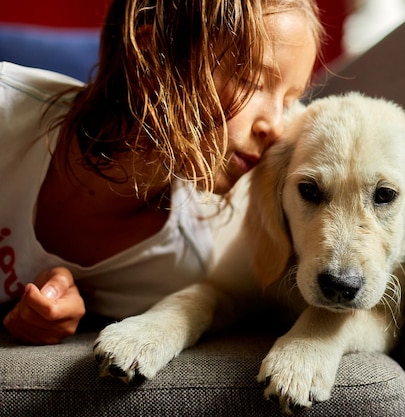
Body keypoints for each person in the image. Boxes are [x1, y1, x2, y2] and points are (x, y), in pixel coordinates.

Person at [0, 0, 322, 345]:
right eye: (250, 82)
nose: (274, 127)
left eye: (287, 103)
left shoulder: (175, 269)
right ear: (153, 60)